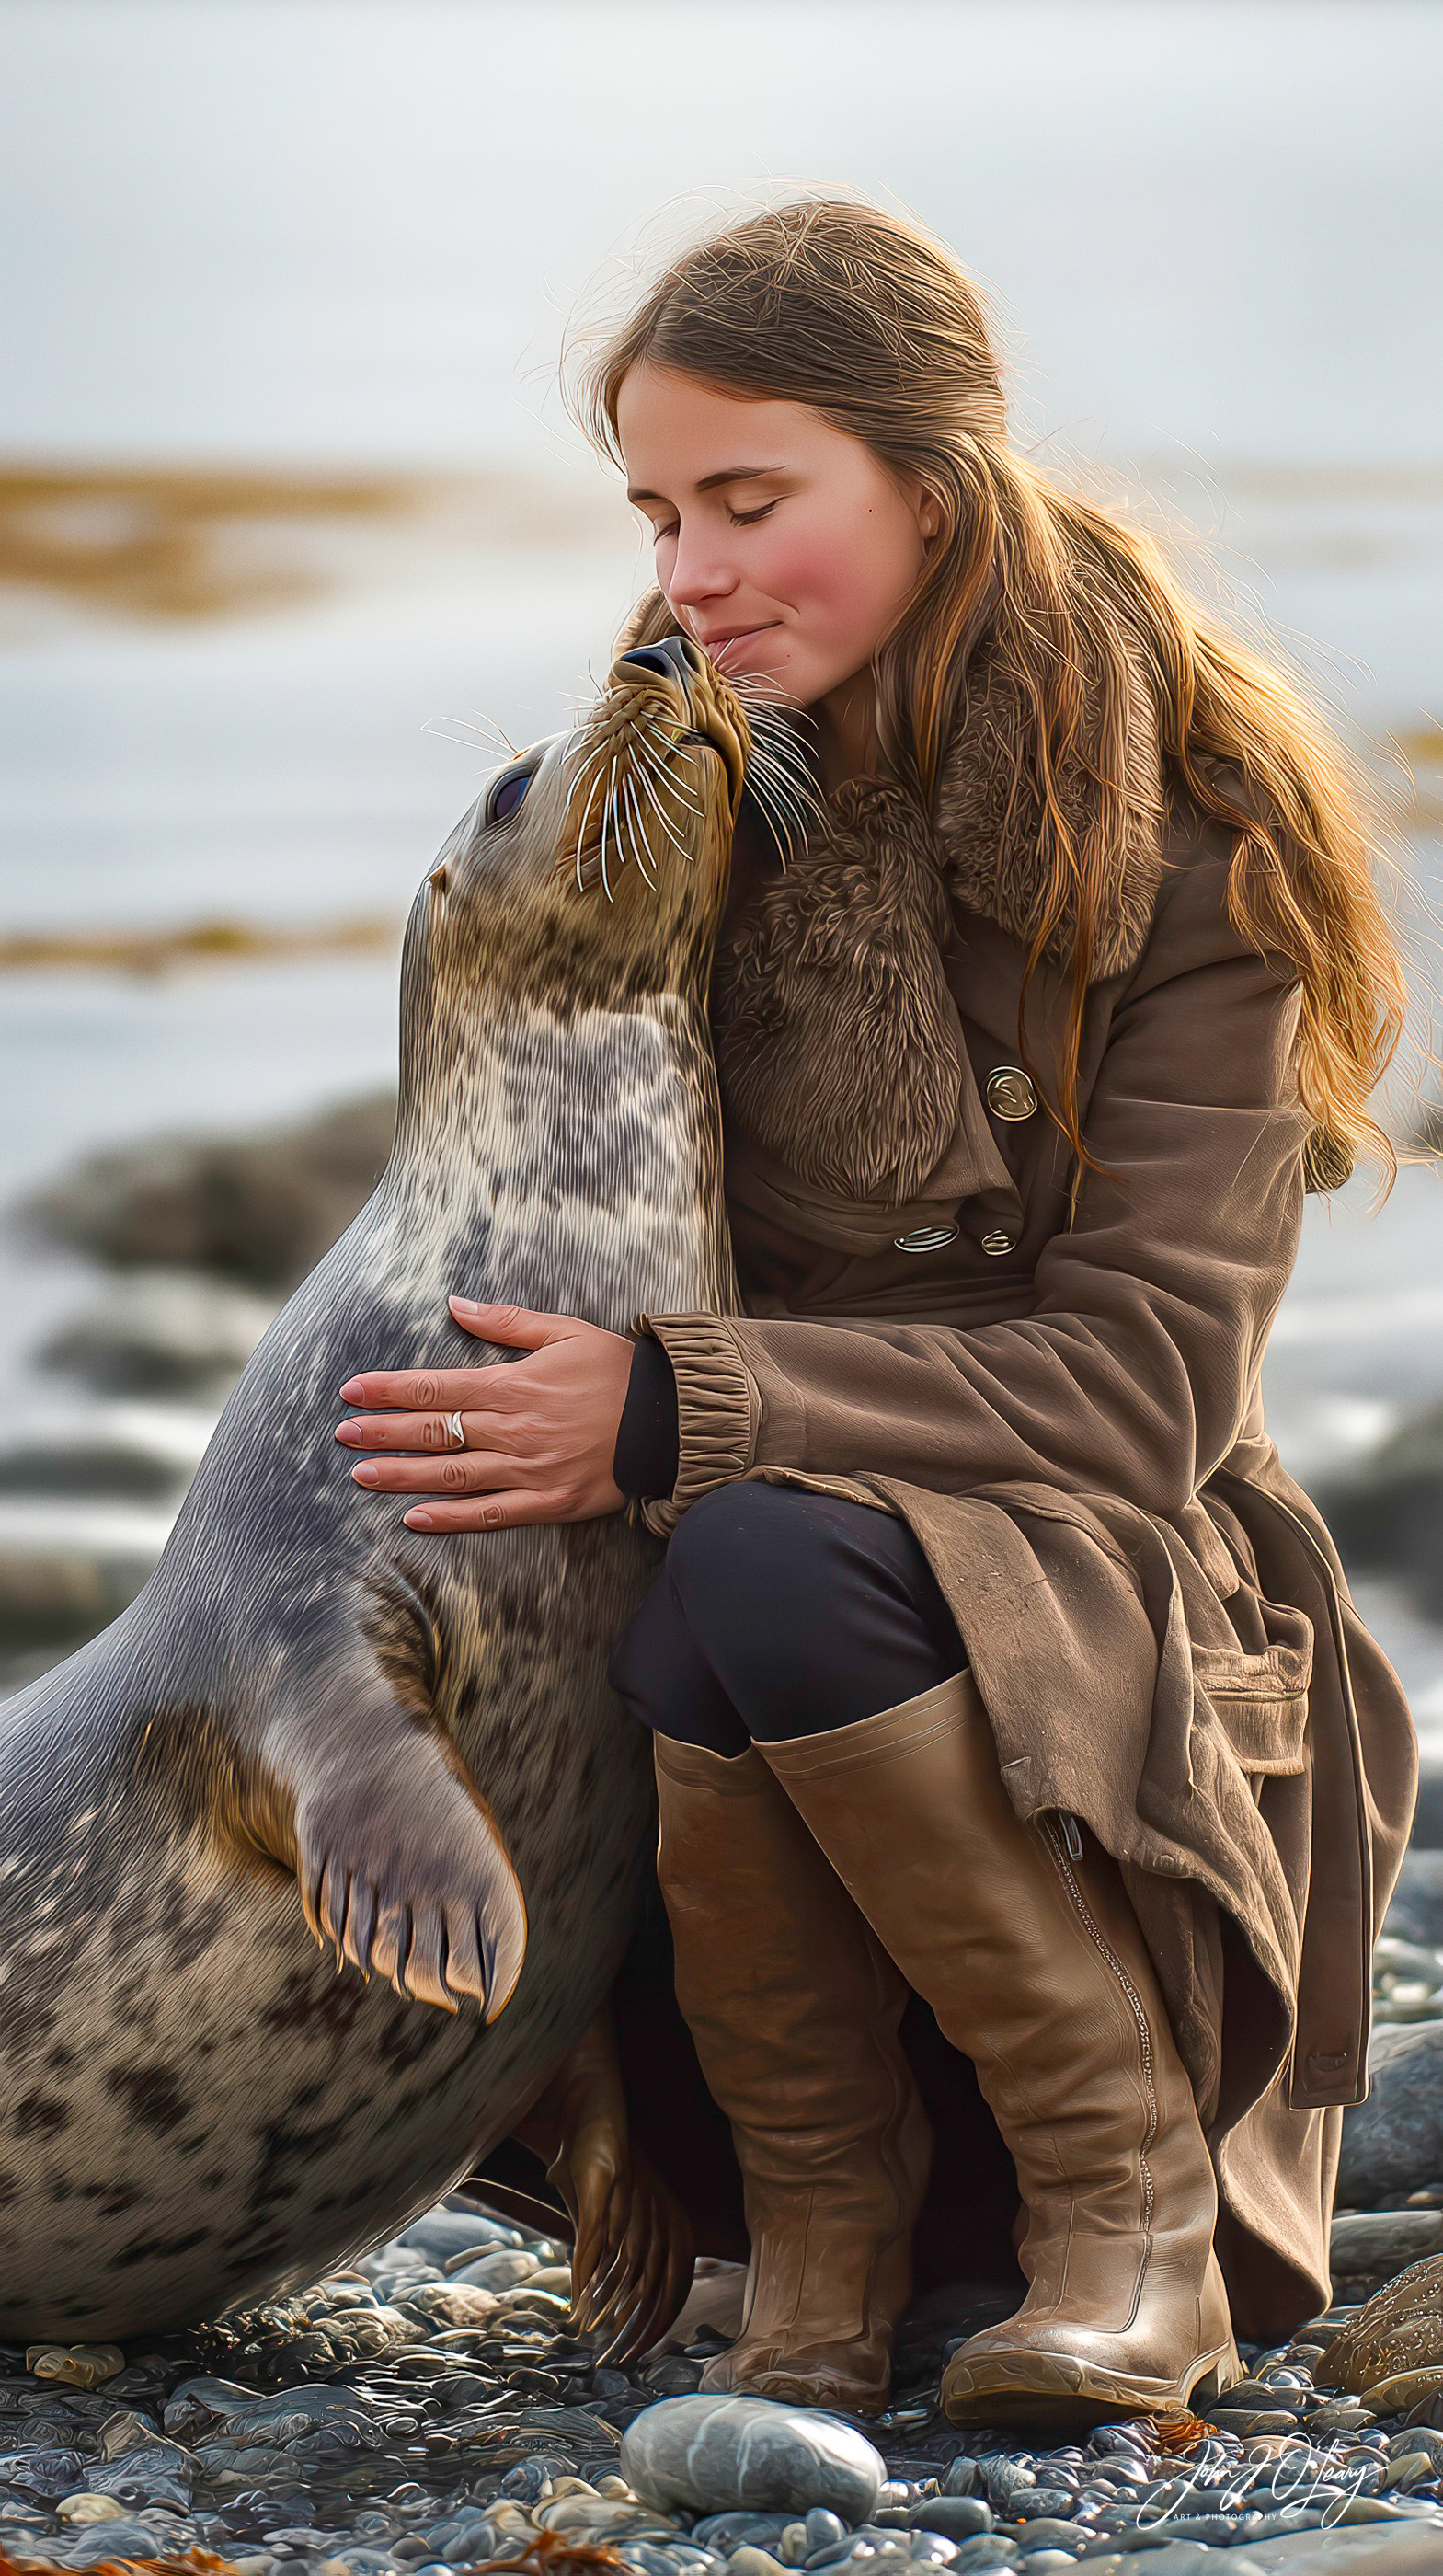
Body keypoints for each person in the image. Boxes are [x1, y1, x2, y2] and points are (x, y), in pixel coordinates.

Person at [332, 200, 1416, 2428]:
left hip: (1106, 1601)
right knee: (689, 1567)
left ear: (925, 482)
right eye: (653, 512)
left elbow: (1137, 1393)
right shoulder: (692, 802)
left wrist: (669, 1407)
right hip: (765, 1683)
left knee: (747, 1542)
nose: (688, 575)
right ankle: (806, 2230)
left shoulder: (1196, 846)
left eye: (749, 501)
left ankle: (1123, 2211)